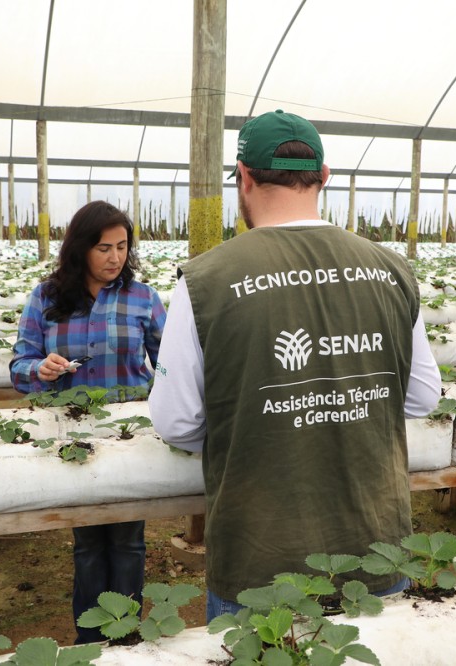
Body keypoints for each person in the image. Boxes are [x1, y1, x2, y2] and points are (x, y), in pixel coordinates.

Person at [148, 109, 441, 620]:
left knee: (262, 653)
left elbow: (176, 423)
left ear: (244, 176)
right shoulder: (392, 269)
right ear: (324, 176)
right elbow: (421, 397)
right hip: (377, 548)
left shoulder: (206, 280)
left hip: (260, 560)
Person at [10, 200, 166, 643]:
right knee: (89, 542)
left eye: (122, 246)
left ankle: (127, 635)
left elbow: (169, 365)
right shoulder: (46, 298)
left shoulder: (143, 298)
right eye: (103, 248)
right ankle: (91, 639)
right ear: (80, 249)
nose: (115, 257)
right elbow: (19, 364)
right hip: (74, 437)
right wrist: (40, 369)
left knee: (129, 540)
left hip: (130, 436)